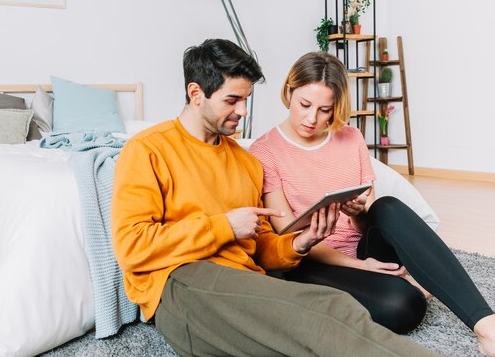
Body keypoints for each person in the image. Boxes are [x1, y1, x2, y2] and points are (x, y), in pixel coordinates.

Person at [111, 38, 442, 357]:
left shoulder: (245, 162)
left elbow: (263, 247)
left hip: (244, 282)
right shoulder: (148, 150)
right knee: (319, 316)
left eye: (246, 99)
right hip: (182, 281)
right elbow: (131, 246)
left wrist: (300, 243)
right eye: (231, 100)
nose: (242, 111)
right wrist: (223, 226)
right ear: (196, 93)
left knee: (329, 310)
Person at [249, 51, 495, 356]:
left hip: (364, 249)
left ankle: (487, 326)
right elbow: (289, 236)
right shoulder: (264, 151)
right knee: (403, 306)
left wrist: (358, 214)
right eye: (304, 105)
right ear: (288, 91)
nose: (312, 118)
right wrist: (360, 265)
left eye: (325, 109)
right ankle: (419, 285)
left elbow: (370, 220)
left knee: (388, 206)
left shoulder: (350, 138)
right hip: (312, 262)